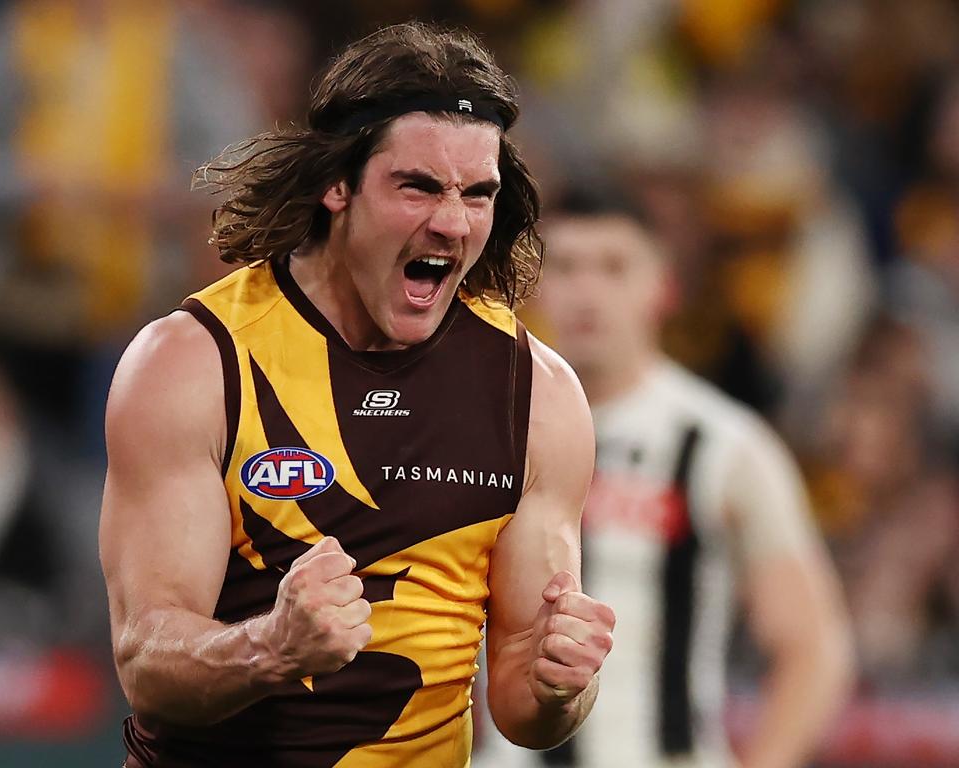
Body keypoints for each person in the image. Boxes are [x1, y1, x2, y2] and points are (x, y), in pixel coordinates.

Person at [99, 22, 615, 768]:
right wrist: (272, 647)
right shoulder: (194, 361)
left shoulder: (536, 394)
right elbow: (146, 662)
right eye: (419, 187)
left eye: (479, 194)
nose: (452, 221)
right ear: (336, 185)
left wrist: (564, 685)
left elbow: (521, 709)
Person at [534, 194, 855, 768]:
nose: (587, 291)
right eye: (565, 266)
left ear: (664, 287)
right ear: (534, 283)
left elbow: (814, 646)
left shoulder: (723, 444)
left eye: (613, 267)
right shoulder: (483, 432)